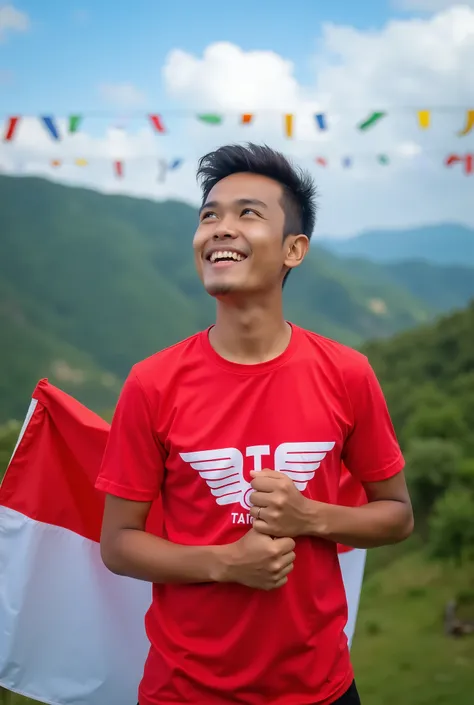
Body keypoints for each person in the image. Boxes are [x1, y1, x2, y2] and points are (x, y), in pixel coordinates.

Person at [96, 143, 414, 705]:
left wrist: (309, 516)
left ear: (295, 249)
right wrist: (225, 563)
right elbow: (119, 545)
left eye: (247, 213)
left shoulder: (347, 373)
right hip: (184, 690)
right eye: (209, 215)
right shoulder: (152, 383)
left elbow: (396, 516)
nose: (220, 228)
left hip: (320, 688)